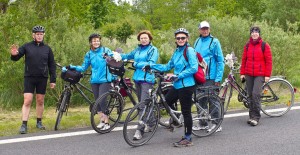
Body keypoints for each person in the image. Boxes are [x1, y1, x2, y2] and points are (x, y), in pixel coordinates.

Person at [146, 28, 198, 147]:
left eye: (183, 38)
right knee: (167, 101)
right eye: (178, 38)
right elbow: (168, 66)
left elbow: (193, 68)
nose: (180, 40)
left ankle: (188, 138)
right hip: (177, 84)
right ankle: (176, 119)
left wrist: (178, 75)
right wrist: (151, 66)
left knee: (186, 111)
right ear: (176, 39)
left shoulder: (189, 50)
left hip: (187, 85)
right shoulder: (177, 51)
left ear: (187, 38)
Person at [10, 25, 56, 134]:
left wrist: (53, 80)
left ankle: (39, 122)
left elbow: (52, 65)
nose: (39, 36)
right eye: (37, 34)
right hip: (29, 77)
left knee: (40, 100)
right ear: (33, 35)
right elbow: (16, 57)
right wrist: (13, 54)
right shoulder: (27, 46)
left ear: (43, 35)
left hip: (42, 78)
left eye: (41, 34)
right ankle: (24, 124)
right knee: (28, 100)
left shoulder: (47, 49)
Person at [66, 33, 115, 130]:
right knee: (97, 101)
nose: (96, 42)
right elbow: (83, 67)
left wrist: (108, 58)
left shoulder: (106, 50)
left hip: (105, 79)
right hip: (94, 80)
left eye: (97, 40)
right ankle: (101, 120)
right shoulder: (89, 54)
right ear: (91, 42)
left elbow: (113, 61)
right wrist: (72, 67)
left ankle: (107, 123)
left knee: (102, 100)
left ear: (100, 41)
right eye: (94, 41)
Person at [119, 30, 159, 140]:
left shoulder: (153, 50)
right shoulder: (137, 49)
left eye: (145, 38)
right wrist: (115, 55)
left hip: (147, 79)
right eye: (141, 38)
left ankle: (139, 130)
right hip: (137, 79)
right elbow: (127, 55)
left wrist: (135, 63)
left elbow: (150, 63)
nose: (143, 40)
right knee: (145, 103)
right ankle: (151, 123)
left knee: (142, 104)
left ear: (149, 39)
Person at [193, 21, 225, 132]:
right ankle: (203, 123)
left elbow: (220, 61)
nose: (205, 30)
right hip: (199, 76)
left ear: (209, 29)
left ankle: (216, 124)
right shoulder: (197, 41)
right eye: (203, 29)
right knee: (200, 101)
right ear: (199, 30)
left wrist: (218, 78)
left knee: (213, 101)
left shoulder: (214, 42)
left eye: (207, 28)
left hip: (211, 77)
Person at [240, 26, 272, 126]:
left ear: (259, 34)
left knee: (255, 94)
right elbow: (244, 60)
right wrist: (242, 73)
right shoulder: (247, 46)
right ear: (250, 34)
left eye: (256, 32)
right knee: (249, 96)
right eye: (252, 32)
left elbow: (269, 61)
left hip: (260, 74)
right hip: (249, 74)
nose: (254, 34)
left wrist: (267, 75)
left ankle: (256, 117)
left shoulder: (264, 45)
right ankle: (251, 116)